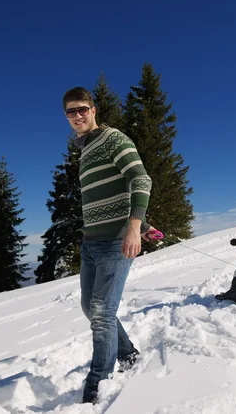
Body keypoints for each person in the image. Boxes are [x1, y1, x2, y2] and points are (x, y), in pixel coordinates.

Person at [63, 86, 154, 404]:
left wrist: (134, 226)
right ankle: (128, 354)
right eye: (71, 112)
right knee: (91, 308)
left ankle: (96, 387)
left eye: (82, 109)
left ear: (94, 109)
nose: (77, 116)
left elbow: (140, 179)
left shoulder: (112, 138)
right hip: (90, 242)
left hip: (116, 242)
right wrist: (144, 222)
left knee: (101, 312)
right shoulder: (85, 150)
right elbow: (115, 191)